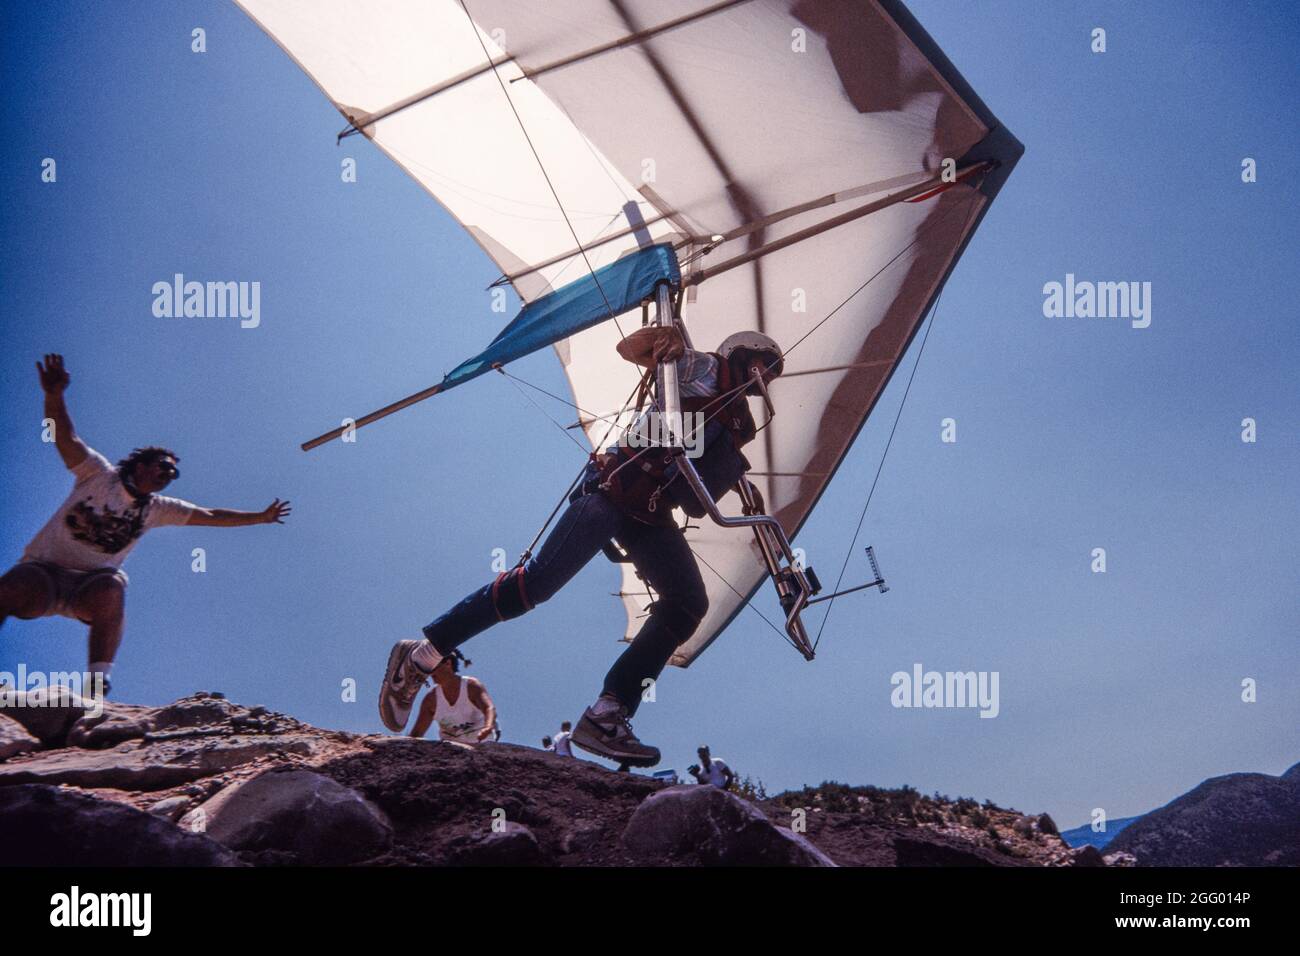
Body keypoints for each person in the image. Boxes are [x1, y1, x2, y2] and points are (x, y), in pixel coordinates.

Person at [378, 327, 785, 767]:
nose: (764, 378)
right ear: (741, 353)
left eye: (772, 375)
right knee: (535, 587)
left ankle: (607, 715)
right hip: (612, 492)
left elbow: (703, 480)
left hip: (649, 513)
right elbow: (629, 348)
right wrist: (661, 340)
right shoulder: (703, 368)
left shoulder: (738, 421)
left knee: (687, 602)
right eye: (763, 365)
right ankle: (422, 655)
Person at [0, 354, 291, 692]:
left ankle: (97, 681)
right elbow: (65, 439)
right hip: (44, 575)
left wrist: (260, 517)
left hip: (88, 588)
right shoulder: (97, 475)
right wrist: (54, 396)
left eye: (173, 473)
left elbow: (211, 516)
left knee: (112, 587)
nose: (169, 475)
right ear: (139, 466)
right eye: (163, 467)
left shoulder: (158, 508)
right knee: (16, 582)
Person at [409, 651, 496, 745]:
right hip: (451, 751)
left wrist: (488, 727)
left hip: (480, 745)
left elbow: (489, 708)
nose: (431, 673)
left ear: (448, 663)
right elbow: (416, 734)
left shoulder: (471, 686)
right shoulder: (431, 700)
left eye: (433, 667)